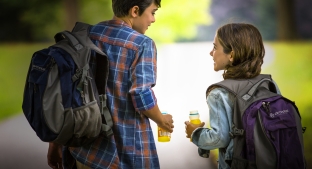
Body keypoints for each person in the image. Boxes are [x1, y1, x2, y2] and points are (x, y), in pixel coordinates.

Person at [47, 0, 174, 168]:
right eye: (153, 12)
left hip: (82, 151)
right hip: (124, 154)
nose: (153, 19)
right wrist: (162, 120)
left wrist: (55, 143)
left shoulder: (85, 36)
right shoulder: (142, 44)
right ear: (135, 11)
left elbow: (63, 93)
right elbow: (141, 94)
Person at [184, 23, 280, 169]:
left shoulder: (219, 93)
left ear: (232, 54)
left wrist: (195, 133)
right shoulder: (269, 84)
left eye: (215, 47)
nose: (211, 52)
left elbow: (218, 139)